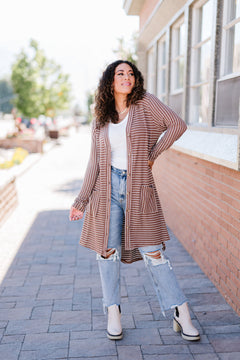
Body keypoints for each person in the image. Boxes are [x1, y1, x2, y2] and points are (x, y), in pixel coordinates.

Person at [69, 60, 200, 342]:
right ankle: (113, 312)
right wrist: (81, 200)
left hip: (139, 188)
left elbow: (177, 125)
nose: (127, 77)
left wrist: (153, 154)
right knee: (107, 252)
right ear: (110, 81)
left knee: (154, 252)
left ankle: (182, 312)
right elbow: (94, 161)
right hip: (105, 191)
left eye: (130, 73)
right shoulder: (100, 118)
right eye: (120, 73)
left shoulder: (145, 103)